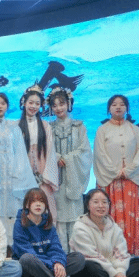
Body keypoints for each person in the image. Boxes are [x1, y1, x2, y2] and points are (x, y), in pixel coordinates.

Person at [12, 188, 93, 277]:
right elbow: (25, 251)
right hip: (30, 265)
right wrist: (52, 265)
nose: (38, 204)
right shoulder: (20, 224)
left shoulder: (48, 223)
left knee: (78, 258)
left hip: (46, 264)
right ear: (26, 205)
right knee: (26, 259)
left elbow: (55, 247)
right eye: (34, 201)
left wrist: (58, 262)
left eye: (41, 201)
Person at [0, 93, 36, 248]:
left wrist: (18, 172)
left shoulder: (14, 127)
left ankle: (13, 246)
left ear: (7, 106)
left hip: (11, 176)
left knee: (13, 212)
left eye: (3, 103)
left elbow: (20, 152)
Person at [93, 95, 139, 257]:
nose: (118, 107)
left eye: (122, 104)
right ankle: (109, 251)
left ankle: (131, 250)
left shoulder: (135, 130)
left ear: (127, 108)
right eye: (114, 104)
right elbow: (99, 154)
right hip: (109, 180)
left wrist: (128, 171)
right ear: (109, 108)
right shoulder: (102, 130)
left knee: (131, 214)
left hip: (130, 180)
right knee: (108, 213)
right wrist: (115, 172)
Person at [70, 189, 139, 277]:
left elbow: (121, 253)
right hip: (92, 265)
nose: (101, 206)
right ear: (88, 205)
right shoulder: (80, 227)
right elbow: (92, 256)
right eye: (96, 202)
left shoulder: (114, 227)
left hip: (110, 267)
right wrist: (115, 274)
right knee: (90, 267)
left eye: (104, 202)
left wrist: (120, 272)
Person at [48, 88, 92, 252]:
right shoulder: (48, 127)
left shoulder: (79, 126)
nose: (58, 108)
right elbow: (45, 150)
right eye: (54, 105)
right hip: (56, 179)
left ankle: (76, 256)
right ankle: (60, 255)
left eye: (61, 104)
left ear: (68, 104)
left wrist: (66, 159)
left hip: (73, 178)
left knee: (74, 219)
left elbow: (85, 151)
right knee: (58, 220)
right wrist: (55, 157)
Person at [19, 85, 59, 221]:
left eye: (37, 103)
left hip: (43, 177)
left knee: (47, 211)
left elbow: (50, 153)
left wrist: (45, 177)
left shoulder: (45, 126)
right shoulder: (16, 126)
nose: (33, 106)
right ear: (24, 103)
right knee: (25, 211)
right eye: (30, 102)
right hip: (23, 177)